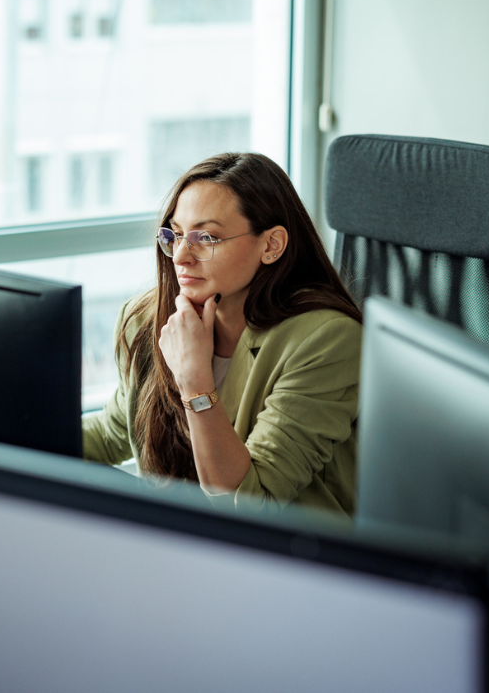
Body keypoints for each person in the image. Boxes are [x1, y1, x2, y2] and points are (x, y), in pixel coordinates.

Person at [83, 153, 362, 514]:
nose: (181, 255)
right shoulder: (150, 320)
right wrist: (5, 430)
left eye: (207, 237)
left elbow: (251, 502)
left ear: (271, 245)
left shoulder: (326, 341)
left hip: (286, 557)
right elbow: (112, 434)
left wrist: (194, 380)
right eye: (177, 235)